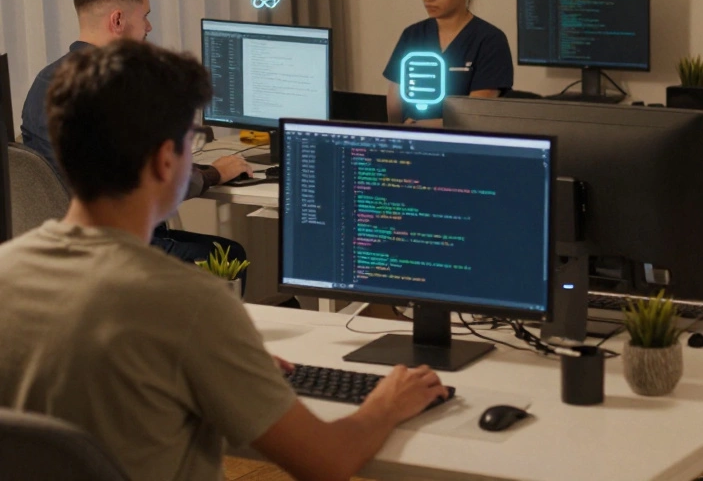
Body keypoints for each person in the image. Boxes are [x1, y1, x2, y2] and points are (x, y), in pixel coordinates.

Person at [0, 40, 450, 481]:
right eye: (189, 138)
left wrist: (224, 362)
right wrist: (388, 402)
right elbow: (327, 461)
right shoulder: (186, 302)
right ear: (164, 161)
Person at [19, 0, 251, 266]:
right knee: (229, 256)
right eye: (145, 17)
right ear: (117, 20)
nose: (148, 28)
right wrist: (217, 173)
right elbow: (157, 184)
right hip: (118, 252)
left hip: (62, 250)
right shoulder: (121, 91)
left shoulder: (44, 81)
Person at [384, 0, 513, 125]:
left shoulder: (490, 41)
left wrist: (422, 126)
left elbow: (476, 116)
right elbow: (394, 109)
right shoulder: (412, 35)